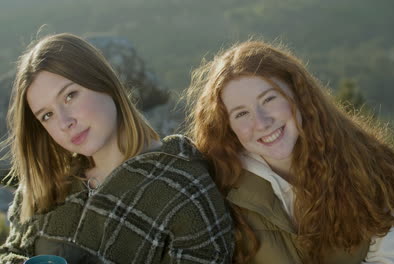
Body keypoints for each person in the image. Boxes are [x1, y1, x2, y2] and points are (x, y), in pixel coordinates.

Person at [185, 40, 394, 264]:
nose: (261, 122)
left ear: (299, 95)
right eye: (241, 113)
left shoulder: (375, 167)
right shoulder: (217, 188)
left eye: (269, 99)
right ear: (228, 127)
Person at [0, 33, 233, 264]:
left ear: (104, 83)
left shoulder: (183, 187)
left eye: (70, 96)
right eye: (47, 115)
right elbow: (11, 251)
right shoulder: (45, 182)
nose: (64, 122)